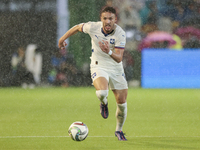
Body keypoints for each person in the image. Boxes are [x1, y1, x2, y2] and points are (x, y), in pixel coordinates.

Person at [58, 6, 128, 141]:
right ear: (101, 19)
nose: (108, 21)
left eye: (111, 19)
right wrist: (62, 38)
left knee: (122, 104)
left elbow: (119, 58)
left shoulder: (121, 33)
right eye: (105, 18)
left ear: (115, 19)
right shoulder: (93, 27)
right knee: (102, 92)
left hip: (116, 68)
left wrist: (108, 51)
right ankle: (104, 102)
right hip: (98, 65)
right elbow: (77, 27)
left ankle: (119, 130)